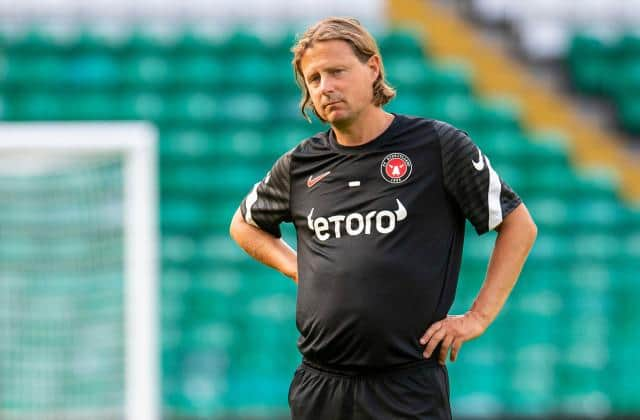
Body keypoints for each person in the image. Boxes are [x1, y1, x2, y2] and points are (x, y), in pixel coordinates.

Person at [229, 16, 537, 420]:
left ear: (372, 67)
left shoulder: (436, 146)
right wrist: (295, 266)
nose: (326, 87)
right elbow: (244, 224)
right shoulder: (300, 164)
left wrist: (477, 317)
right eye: (315, 79)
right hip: (320, 386)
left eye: (337, 71)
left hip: (406, 385)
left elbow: (518, 224)